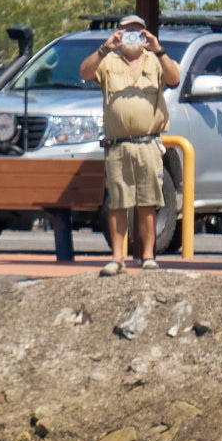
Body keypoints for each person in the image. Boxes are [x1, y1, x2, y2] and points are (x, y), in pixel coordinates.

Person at [85, 19, 180, 274]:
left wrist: (158, 49)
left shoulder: (155, 60)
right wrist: (105, 48)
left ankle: (148, 256)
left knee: (148, 202)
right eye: (128, 31)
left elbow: (174, 78)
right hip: (118, 145)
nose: (132, 36)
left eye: (138, 31)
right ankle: (117, 258)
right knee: (118, 202)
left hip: (148, 143)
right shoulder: (108, 60)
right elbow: (85, 72)